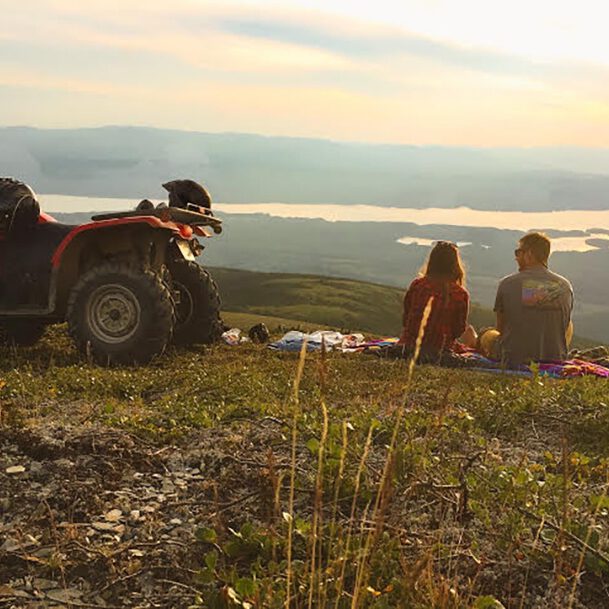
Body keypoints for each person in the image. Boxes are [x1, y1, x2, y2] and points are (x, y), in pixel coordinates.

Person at [481, 232, 573, 366]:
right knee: (569, 324)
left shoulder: (508, 283)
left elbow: (501, 328)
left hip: (513, 357)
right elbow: (564, 327)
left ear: (529, 254)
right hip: (555, 359)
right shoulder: (565, 286)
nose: (516, 258)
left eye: (518, 252)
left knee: (487, 335)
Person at [397, 241, 476, 361]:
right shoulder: (459, 293)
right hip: (440, 350)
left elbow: (406, 319)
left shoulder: (417, 285)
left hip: (408, 346)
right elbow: (458, 330)